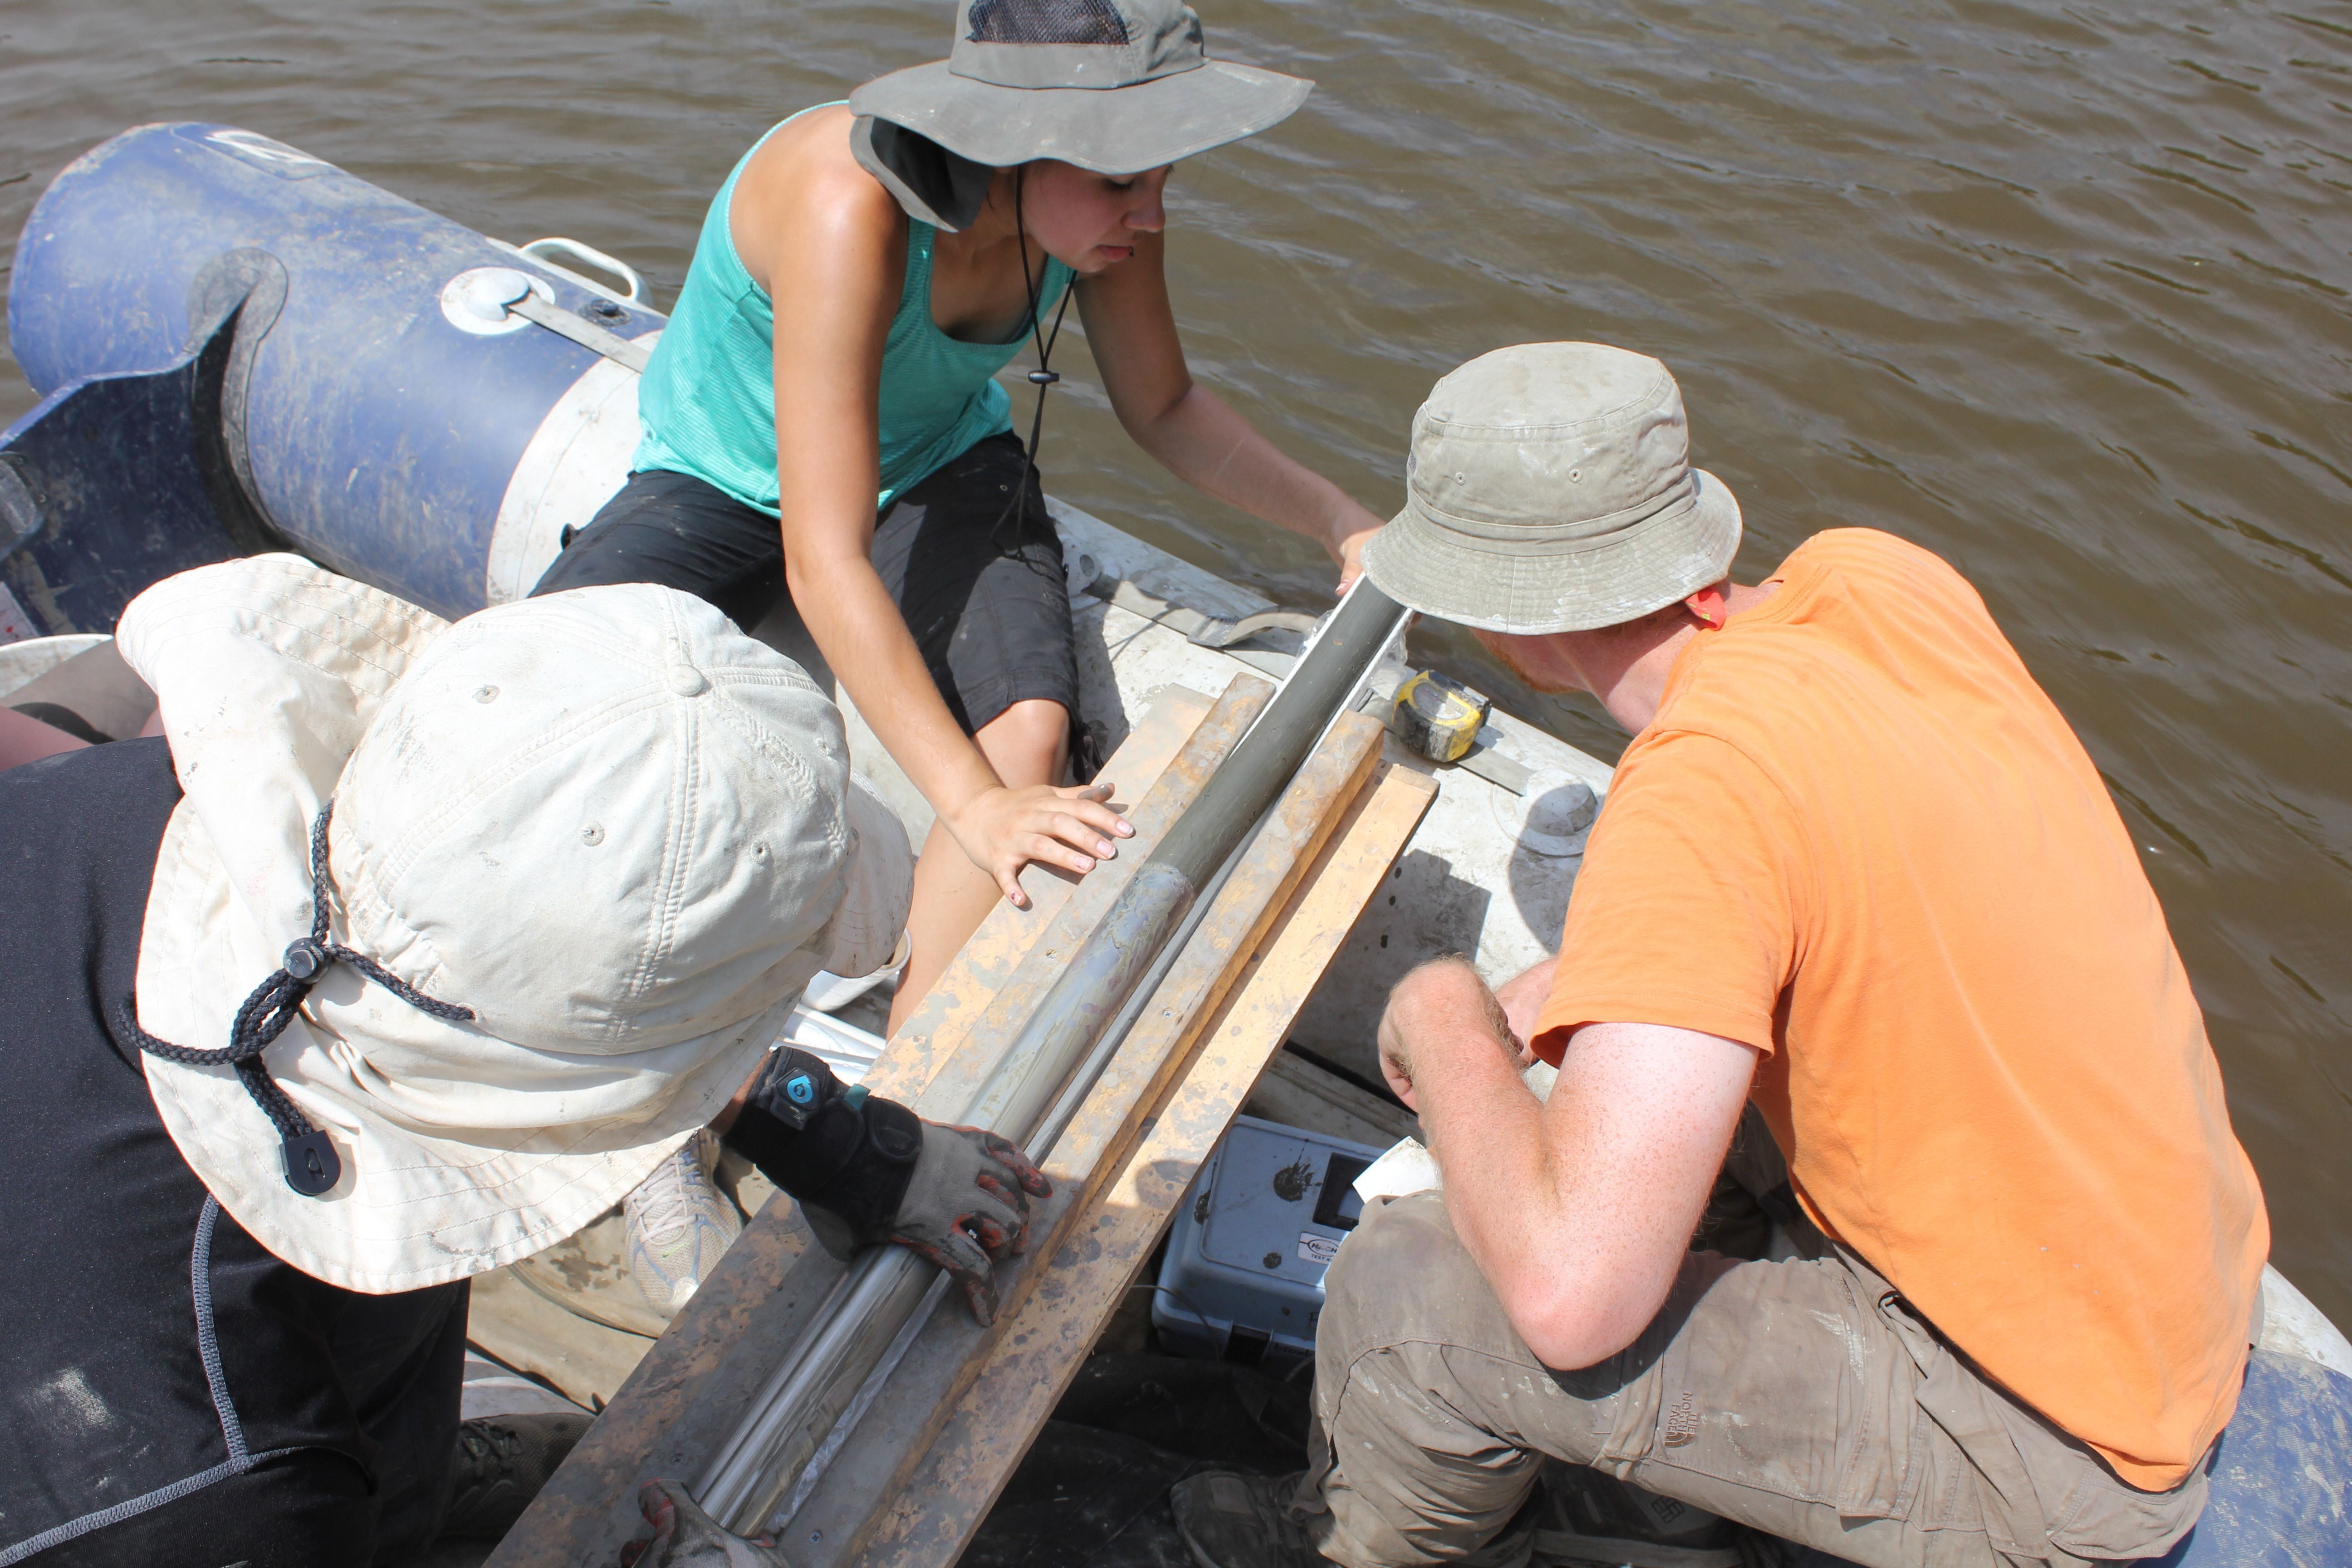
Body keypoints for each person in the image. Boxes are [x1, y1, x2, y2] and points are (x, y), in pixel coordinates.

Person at [1168, 343, 2270, 1568]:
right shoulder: (1874, 583)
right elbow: (1820, 861)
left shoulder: (1697, 794)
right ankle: (1677, 1491)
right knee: (1652, 1092)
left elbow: (1570, 1301)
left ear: (1501, 615)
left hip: (2055, 1448)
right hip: (2173, 1303)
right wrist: (1590, 979)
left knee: (1411, 1302)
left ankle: (1336, 1545)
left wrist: (1436, 1008)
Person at [0, 556, 1047, 1566]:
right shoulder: (220, 1498)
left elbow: (509, 976)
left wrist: (827, 1132)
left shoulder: (167, 815)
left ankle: (398, 1487)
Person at [530, 0, 1388, 1041]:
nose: (1152, 213)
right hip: (727, 474)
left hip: (938, 458)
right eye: (1124, 178)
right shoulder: (850, 207)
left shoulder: (1103, 226)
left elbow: (1163, 407)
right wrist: (970, 809)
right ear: (1010, 148)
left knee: (1029, 734)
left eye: (1163, 178)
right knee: (547, 695)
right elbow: (823, 556)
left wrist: (1339, 520)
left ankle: (913, 1067)